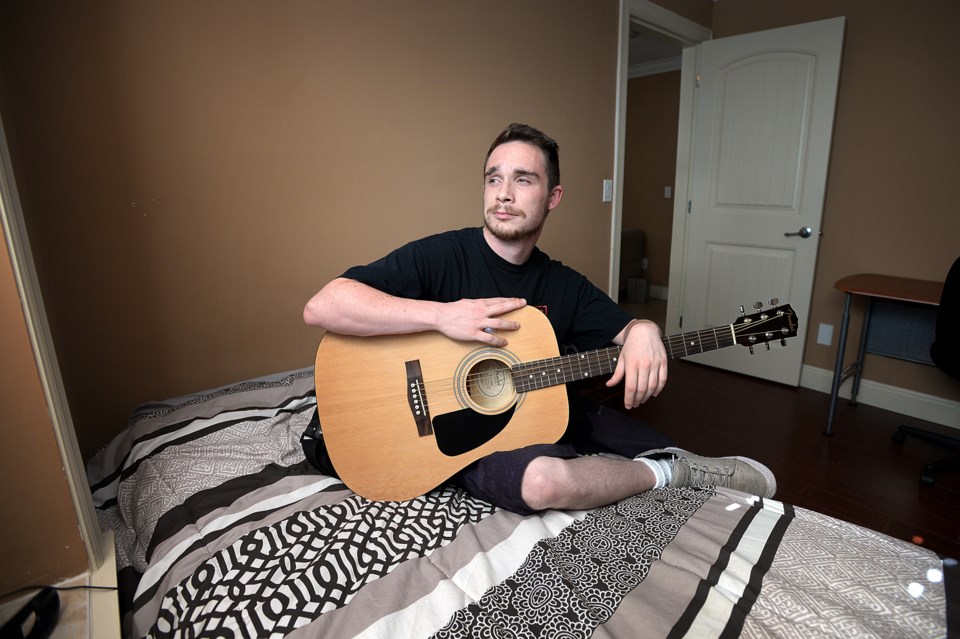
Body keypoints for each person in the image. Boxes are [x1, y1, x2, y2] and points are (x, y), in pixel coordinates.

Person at [303, 123, 776, 514]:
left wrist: (645, 330)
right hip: (444, 441)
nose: (503, 194)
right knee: (547, 482)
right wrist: (442, 315)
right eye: (493, 179)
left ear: (553, 197)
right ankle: (670, 474)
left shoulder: (563, 284)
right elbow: (323, 306)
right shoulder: (443, 254)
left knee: (647, 439)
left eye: (523, 180)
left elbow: (627, 329)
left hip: (537, 410)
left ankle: (682, 468)